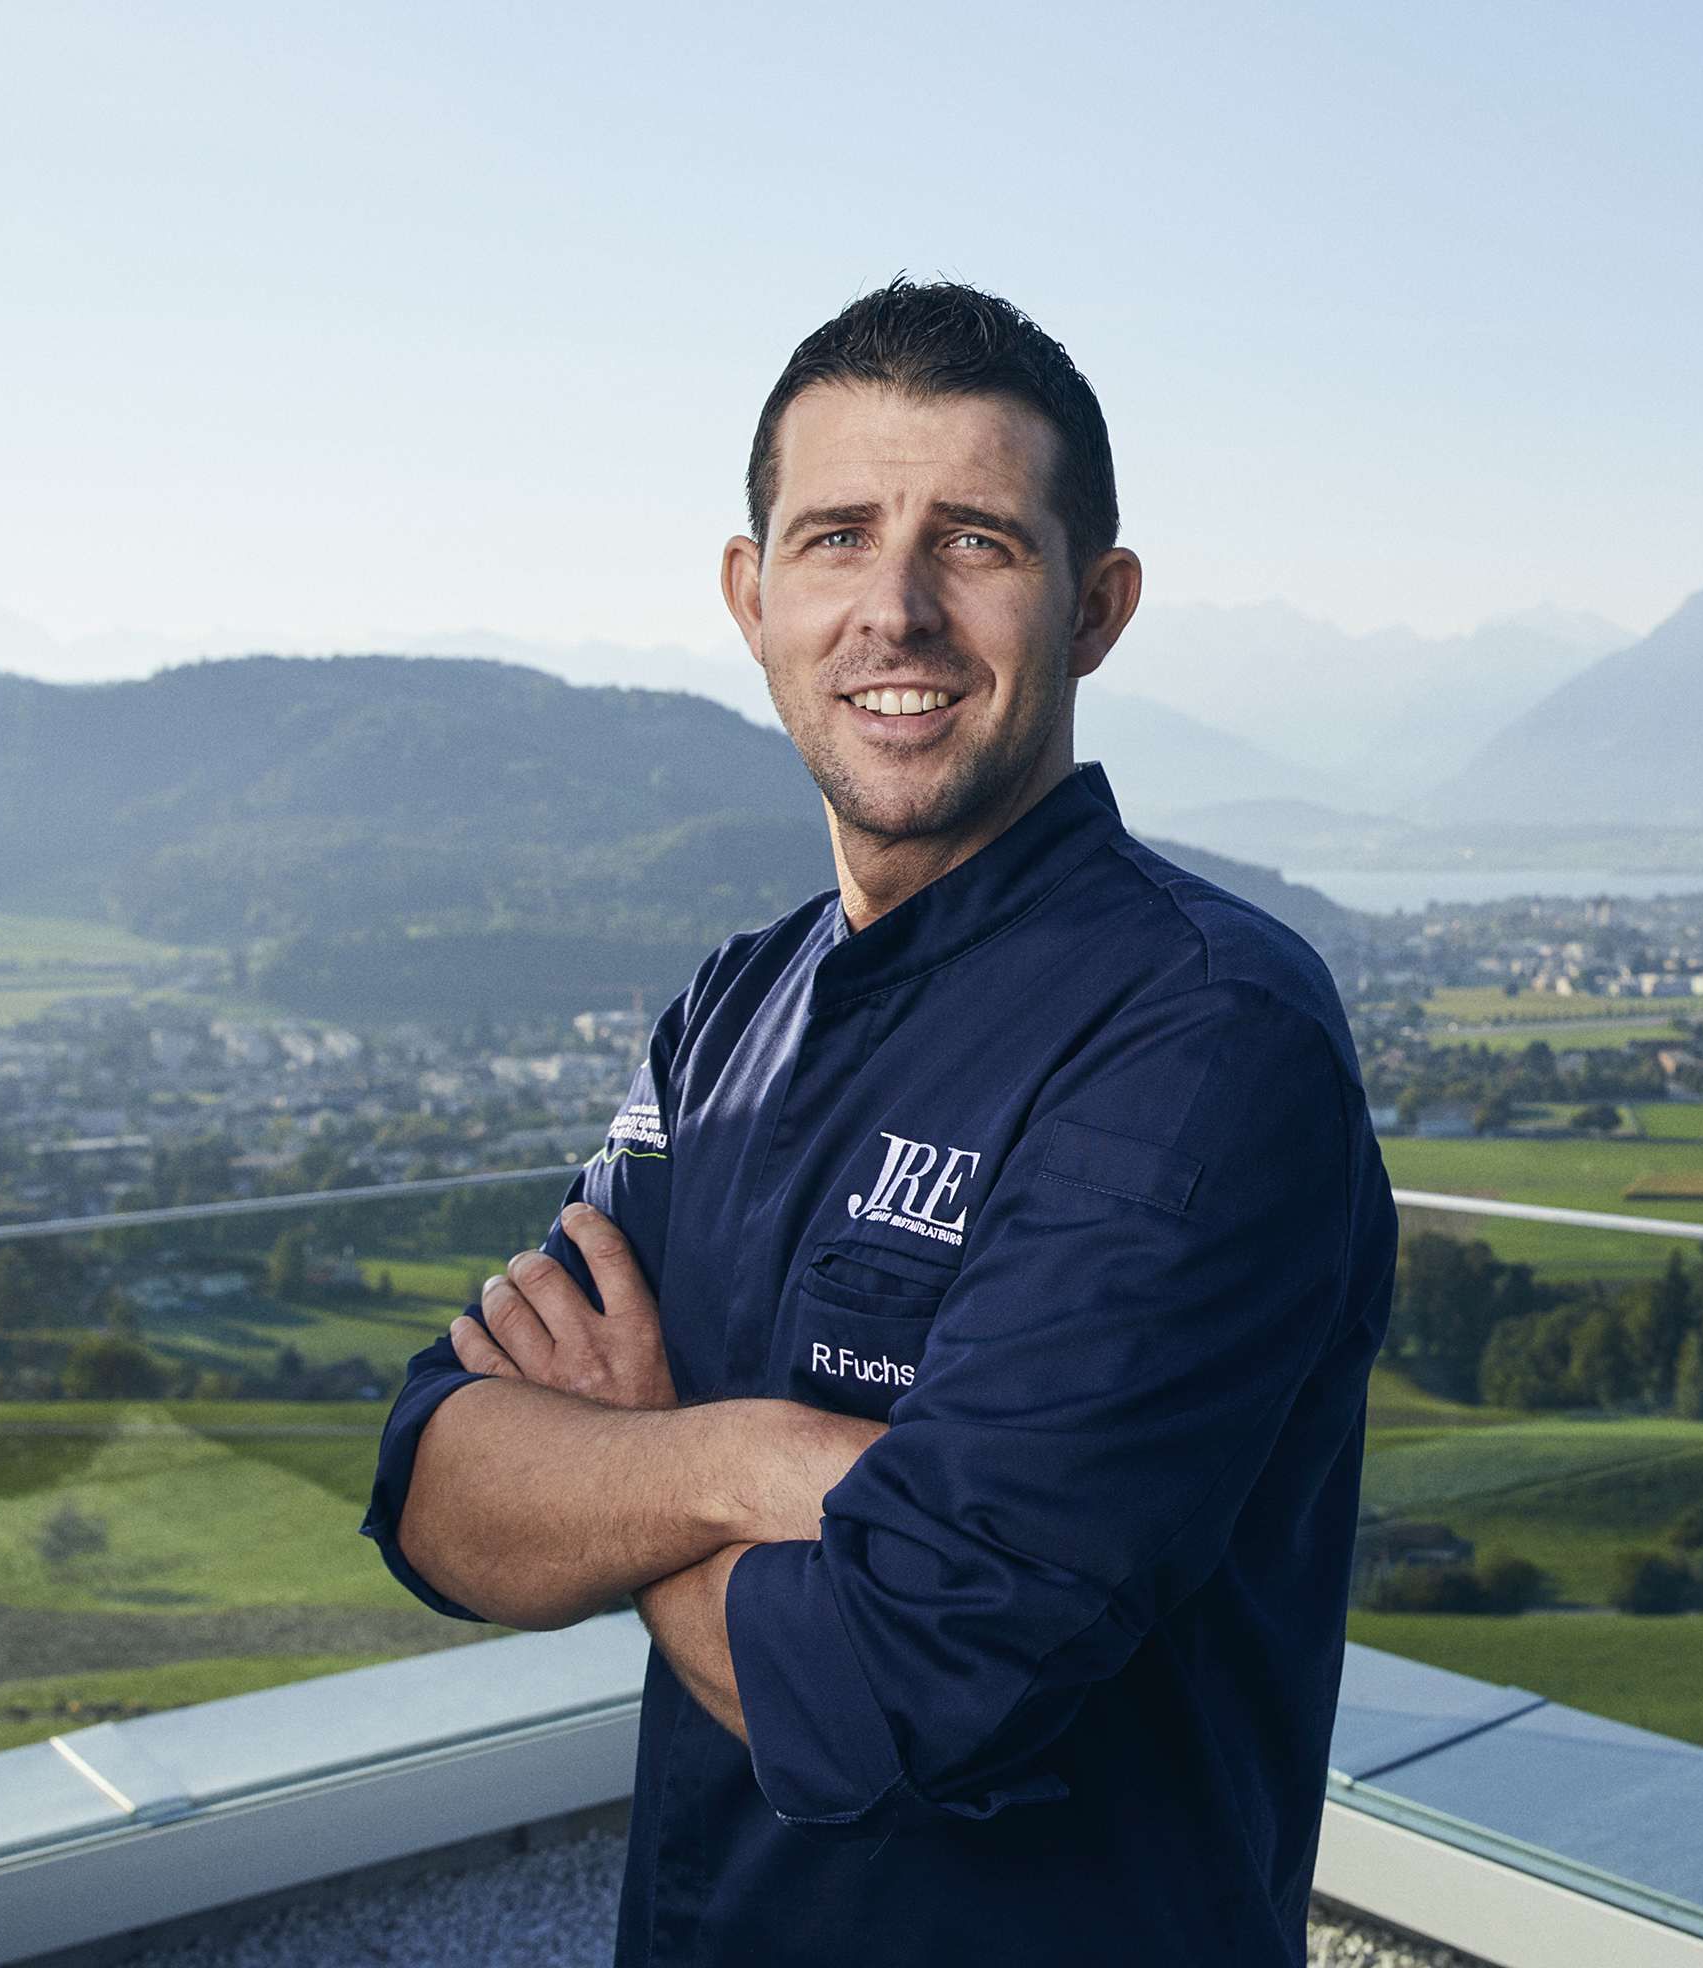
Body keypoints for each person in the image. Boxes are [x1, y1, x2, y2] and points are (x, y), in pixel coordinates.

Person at [361, 279, 1396, 1966]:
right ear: (750, 595)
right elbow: (433, 1490)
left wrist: (615, 1479)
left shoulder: (1207, 1037)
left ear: (1095, 608)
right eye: (836, 537)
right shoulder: (730, 1006)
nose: (895, 611)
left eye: (975, 541)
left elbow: (895, 1688)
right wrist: (741, 1462)